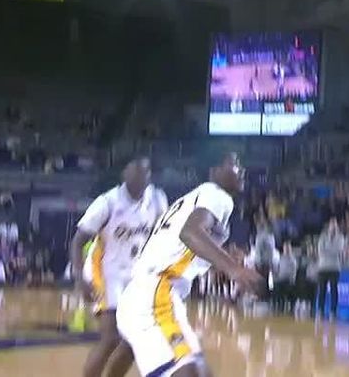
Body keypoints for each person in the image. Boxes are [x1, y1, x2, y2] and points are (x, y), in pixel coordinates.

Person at [116, 153, 261, 377]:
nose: (242, 170)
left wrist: (222, 257)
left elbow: (185, 246)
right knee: (190, 371)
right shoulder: (218, 195)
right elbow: (190, 233)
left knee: (191, 370)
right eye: (234, 164)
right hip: (157, 292)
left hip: (141, 294)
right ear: (214, 171)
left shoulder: (192, 199)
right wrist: (234, 269)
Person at [71, 157, 168, 377]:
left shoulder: (157, 199)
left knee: (136, 340)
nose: (141, 178)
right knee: (111, 337)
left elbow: (162, 235)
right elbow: (77, 242)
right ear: (124, 174)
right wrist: (79, 279)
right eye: (135, 172)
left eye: (145, 173)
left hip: (135, 275)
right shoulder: (108, 202)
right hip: (105, 272)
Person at [315, 218, 345, 318]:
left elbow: (339, 251)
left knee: (334, 290)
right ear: (329, 227)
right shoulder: (323, 237)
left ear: (337, 227)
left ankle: (333, 311)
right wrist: (331, 251)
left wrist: (327, 250)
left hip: (335, 267)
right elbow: (320, 251)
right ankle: (320, 310)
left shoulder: (340, 238)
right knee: (322, 290)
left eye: (335, 225)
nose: (333, 227)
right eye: (331, 225)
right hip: (323, 267)